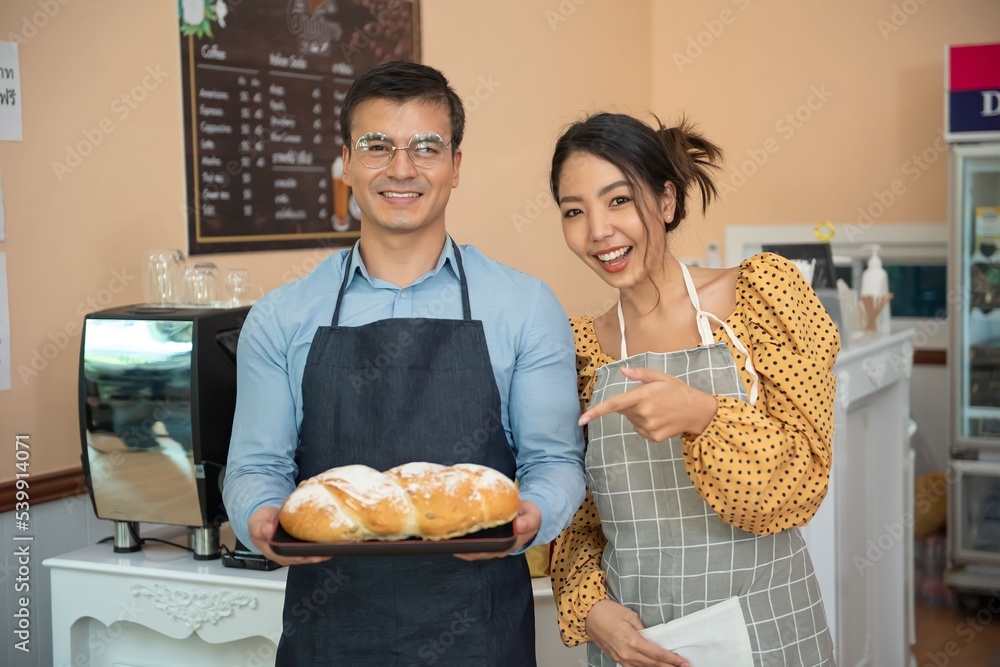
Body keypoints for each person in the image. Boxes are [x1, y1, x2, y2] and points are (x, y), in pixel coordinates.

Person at [222, 61, 586, 666]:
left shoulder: (525, 306)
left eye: (426, 147)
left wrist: (532, 516)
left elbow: (555, 461)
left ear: (456, 165)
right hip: (329, 639)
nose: (402, 169)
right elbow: (255, 468)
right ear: (345, 163)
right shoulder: (281, 316)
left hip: (481, 638)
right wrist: (262, 519)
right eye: (376, 146)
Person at [547, 112, 839, 667]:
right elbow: (578, 520)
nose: (598, 232)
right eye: (574, 212)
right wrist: (589, 607)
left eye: (618, 201)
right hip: (635, 644)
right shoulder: (579, 351)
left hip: (766, 630)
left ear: (666, 202)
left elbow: (804, 480)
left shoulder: (761, 297)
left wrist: (703, 416)